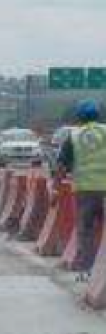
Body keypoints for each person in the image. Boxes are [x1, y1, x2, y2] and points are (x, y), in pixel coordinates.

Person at [55, 99, 106, 275]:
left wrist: (56, 188)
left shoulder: (74, 136)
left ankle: (88, 267)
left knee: (86, 230)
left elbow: (61, 166)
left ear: (79, 117)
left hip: (85, 191)